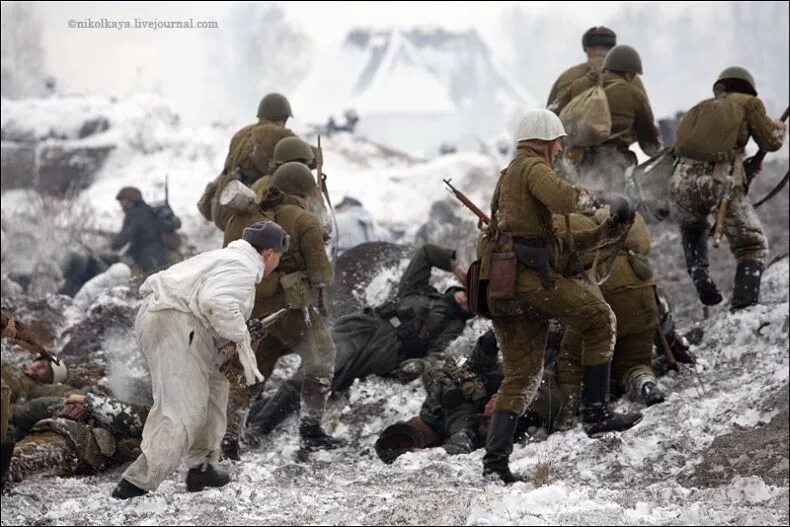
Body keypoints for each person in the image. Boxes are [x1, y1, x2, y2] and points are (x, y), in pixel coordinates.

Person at [475, 109, 642, 483]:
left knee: (521, 376)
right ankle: (596, 414)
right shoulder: (531, 169)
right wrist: (605, 198)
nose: (560, 150)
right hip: (528, 283)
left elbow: (552, 244)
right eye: (558, 143)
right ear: (547, 141)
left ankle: (495, 464)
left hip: (505, 290)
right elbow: (566, 200)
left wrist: (602, 233)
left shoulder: (509, 178)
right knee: (601, 318)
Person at [111, 220, 288, 500]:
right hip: (174, 323)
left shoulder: (229, 258)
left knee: (216, 389)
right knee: (183, 409)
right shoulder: (243, 267)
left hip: (176, 321)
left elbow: (212, 304)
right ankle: (135, 484)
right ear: (268, 253)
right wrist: (242, 332)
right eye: (278, 258)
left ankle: (202, 466)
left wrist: (242, 328)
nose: (276, 265)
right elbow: (215, 301)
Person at [247, 244, 474, 438]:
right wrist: (456, 268)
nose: (465, 299)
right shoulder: (419, 289)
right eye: (467, 291)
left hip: (384, 353)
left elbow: (435, 355)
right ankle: (256, 428)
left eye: (470, 303)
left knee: (325, 384)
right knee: (318, 369)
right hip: (363, 327)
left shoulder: (454, 326)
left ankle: (248, 421)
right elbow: (426, 253)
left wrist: (419, 365)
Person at [222, 163, 340, 460]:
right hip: (291, 309)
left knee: (252, 372)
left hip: (253, 307)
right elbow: (322, 276)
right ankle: (311, 430)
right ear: (303, 190)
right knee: (321, 357)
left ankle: (229, 440)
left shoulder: (248, 216)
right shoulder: (303, 220)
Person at [669, 66, 786, 310]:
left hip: (680, 182)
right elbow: (770, 141)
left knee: (692, 227)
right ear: (748, 88)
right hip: (717, 183)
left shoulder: (700, 107)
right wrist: (779, 129)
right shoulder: (750, 103)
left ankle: (699, 271)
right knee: (752, 245)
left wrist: (744, 166)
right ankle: (744, 307)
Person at [375, 329, 563, 464]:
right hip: (533, 381)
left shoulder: (437, 402)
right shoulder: (457, 425)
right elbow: (460, 446)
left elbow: (464, 367)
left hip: (515, 365)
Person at [552, 210, 665, 422]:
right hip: (639, 289)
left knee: (570, 359)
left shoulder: (556, 225)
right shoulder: (604, 218)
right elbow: (642, 245)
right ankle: (644, 382)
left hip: (599, 291)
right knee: (633, 360)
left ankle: (567, 414)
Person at [551, 45, 661, 191]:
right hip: (614, 165)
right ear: (631, 74)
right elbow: (649, 143)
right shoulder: (634, 95)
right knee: (620, 208)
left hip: (574, 160)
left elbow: (552, 112)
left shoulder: (580, 84)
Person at [198, 93, 298, 231]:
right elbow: (308, 157)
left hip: (222, 206)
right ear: (284, 117)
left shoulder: (241, 133)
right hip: (242, 212)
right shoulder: (280, 134)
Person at [547, 26, 646, 106]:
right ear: (613, 50)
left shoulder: (566, 77)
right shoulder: (631, 77)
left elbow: (550, 116)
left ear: (587, 49)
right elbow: (647, 119)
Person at [111, 187, 167, 276]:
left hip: (148, 251)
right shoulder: (145, 209)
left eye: (123, 201)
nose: (121, 204)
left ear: (131, 200)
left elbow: (127, 233)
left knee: (153, 277)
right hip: (155, 249)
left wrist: (113, 245)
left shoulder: (135, 213)